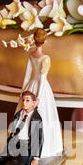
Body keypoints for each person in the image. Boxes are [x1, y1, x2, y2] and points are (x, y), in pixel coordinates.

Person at [18, 28, 63, 158]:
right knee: (45, 116)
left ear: (34, 39)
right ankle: (44, 148)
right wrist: (37, 98)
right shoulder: (45, 58)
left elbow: (27, 76)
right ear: (45, 41)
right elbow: (42, 79)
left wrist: (23, 92)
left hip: (31, 85)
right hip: (40, 88)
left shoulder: (31, 55)